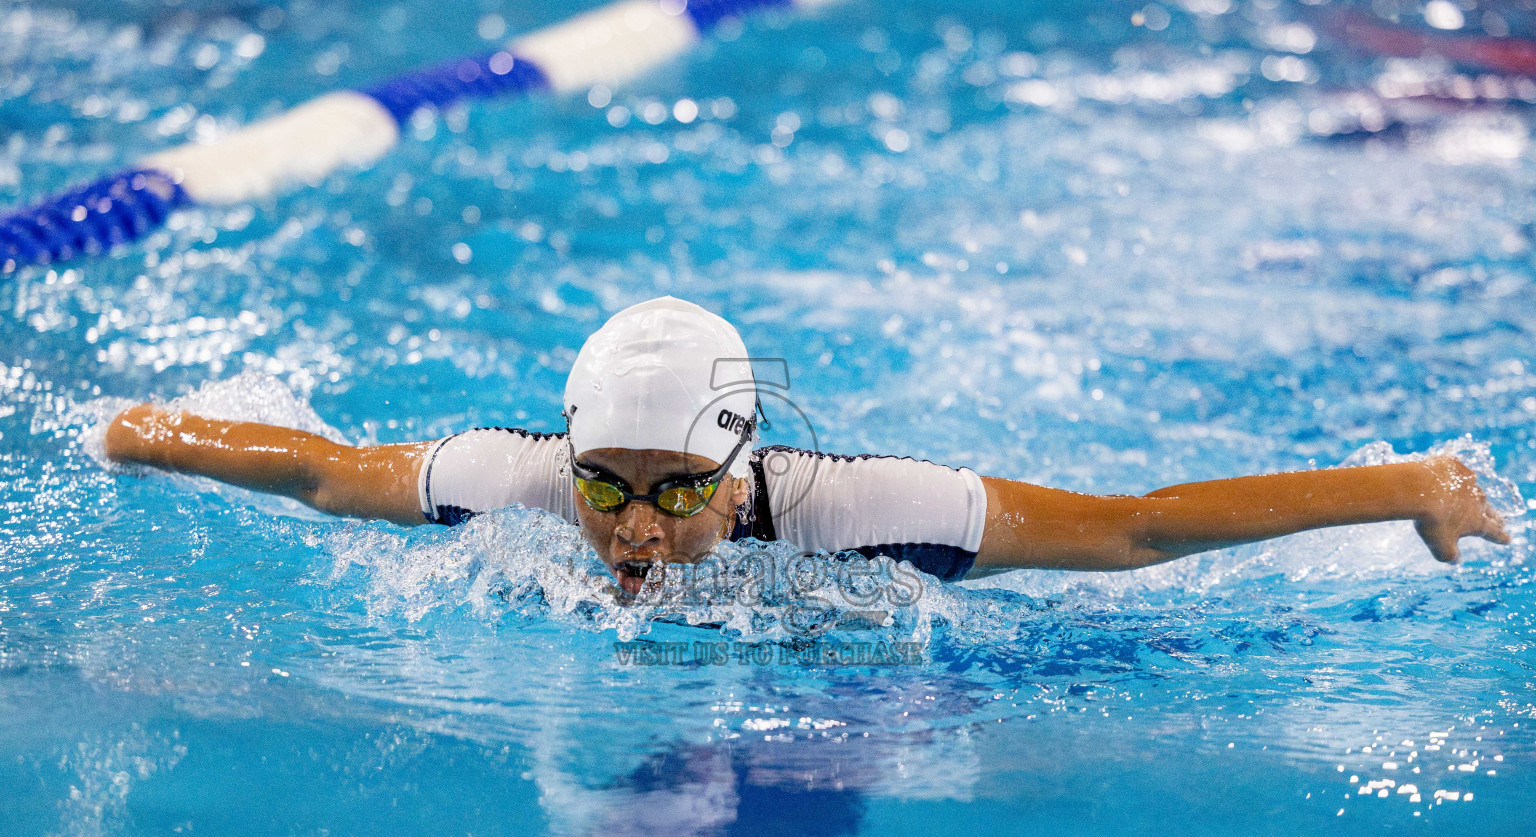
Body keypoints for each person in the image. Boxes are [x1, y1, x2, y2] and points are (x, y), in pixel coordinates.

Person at [104, 296, 1510, 596]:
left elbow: (1134, 527)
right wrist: (125, 429)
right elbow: (309, 465)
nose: (635, 532)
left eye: (676, 498)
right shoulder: (513, 474)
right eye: (607, 493)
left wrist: (1408, 488)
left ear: (740, 465)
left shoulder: (864, 509)